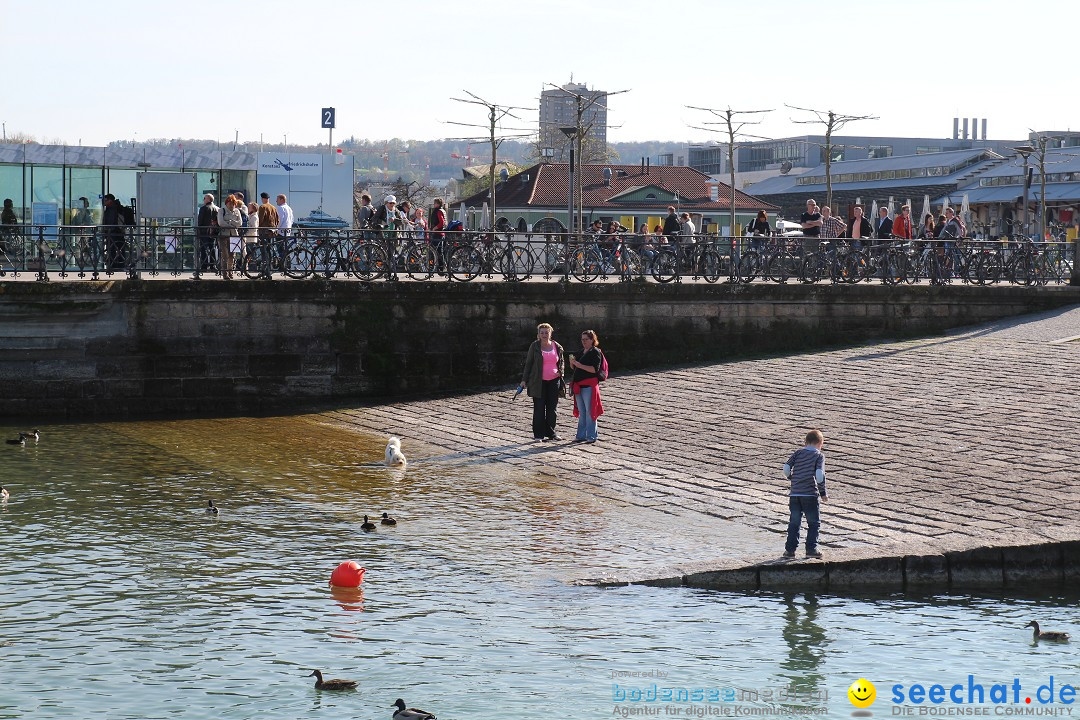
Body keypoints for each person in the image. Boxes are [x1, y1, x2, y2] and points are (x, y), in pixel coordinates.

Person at [782, 429, 828, 559]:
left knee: (794, 522)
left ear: (805, 442)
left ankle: (789, 551)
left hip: (795, 494)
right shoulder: (819, 456)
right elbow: (819, 476)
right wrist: (823, 493)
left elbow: (786, 468)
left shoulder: (797, 453)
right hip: (810, 495)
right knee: (813, 523)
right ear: (820, 443)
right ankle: (811, 549)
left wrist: (791, 478)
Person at [518, 323, 566, 442]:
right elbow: (528, 364)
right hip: (538, 382)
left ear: (550, 333)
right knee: (539, 408)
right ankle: (538, 435)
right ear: (538, 334)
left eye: (546, 332)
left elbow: (562, 362)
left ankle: (551, 433)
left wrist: (561, 373)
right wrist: (524, 380)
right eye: (542, 332)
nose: (544, 334)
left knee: (552, 408)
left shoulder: (557, 346)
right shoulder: (534, 346)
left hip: (554, 381)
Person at [569, 329, 604, 444]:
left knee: (590, 411)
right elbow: (574, 368)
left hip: (589, 385)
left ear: (592, 340)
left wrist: (578, 364)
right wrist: (572, 363)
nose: (583, 341)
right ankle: (581, 435)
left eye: (586, 339)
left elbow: (594, 369)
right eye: (582, 339)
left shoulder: (595, 352)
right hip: (579, 385)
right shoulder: (580, 352)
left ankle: (591, 435)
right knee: (582, 411)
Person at [216, 194, 243, 280]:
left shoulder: (237, 211)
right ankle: (225, 273)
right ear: (227, 203)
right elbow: (221, 223)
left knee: (233, 255)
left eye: (233, 203)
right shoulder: (221, 210)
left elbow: (240, 223)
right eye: (230, 203)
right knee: (225, 254)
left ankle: (231, 271)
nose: (232, 205)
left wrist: (230, 222)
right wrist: (231, 224)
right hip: (224, 235)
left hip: (234, 235)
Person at [197, 193, 219, 271]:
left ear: (208, 199)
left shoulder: (203, 208)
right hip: (213, 232)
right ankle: (213, 266)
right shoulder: (217, 209)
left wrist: (198, 230)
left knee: (204, 249)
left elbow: (200, 221)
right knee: (212, 248)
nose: (203, 200)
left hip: (204, 231)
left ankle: (204, 266)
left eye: (204, 198)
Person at [257, 192, 279, 258]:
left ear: (262, 198)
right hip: (272, 232)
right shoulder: (274, 208)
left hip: (264, 232)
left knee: (263, 249)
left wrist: (257, 228)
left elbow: (260, 220)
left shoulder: (262, 207)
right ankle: (270, 262)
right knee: (269, 248)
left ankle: (265, 263)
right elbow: (278, 220)